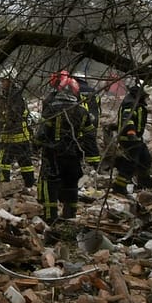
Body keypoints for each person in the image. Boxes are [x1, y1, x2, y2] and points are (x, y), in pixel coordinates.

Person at [35, 72, 100, 223]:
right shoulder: (82, 111)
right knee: (71, 184)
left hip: (53, 154)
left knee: (50, 184)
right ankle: (70, 215)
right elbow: (90, 137)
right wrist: (94, 159)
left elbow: (42, 132)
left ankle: (50, 217)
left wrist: (35, 146)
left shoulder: (51, 110)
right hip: (73, 155)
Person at [0, 72, 36, 188]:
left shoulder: (15, 95)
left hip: (17, 133)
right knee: (4, 161)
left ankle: (29, 184)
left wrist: (4, 121)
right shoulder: (5, 95)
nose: (2, 83)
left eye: (4, 80)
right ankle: (4, 184)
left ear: (11, 81)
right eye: (2, 80)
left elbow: (15, 114)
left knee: (24, 162)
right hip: (10, 134)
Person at [111, 83, 152, 194]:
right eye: (146, 95)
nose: (147, 97)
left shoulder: (136, 101)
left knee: (145, 160)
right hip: (129, 139)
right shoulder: (131, 103)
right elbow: (127, 119)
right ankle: (119, 187)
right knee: (130, 164)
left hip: (136, 139)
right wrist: (131, 132)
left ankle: (144, 185)